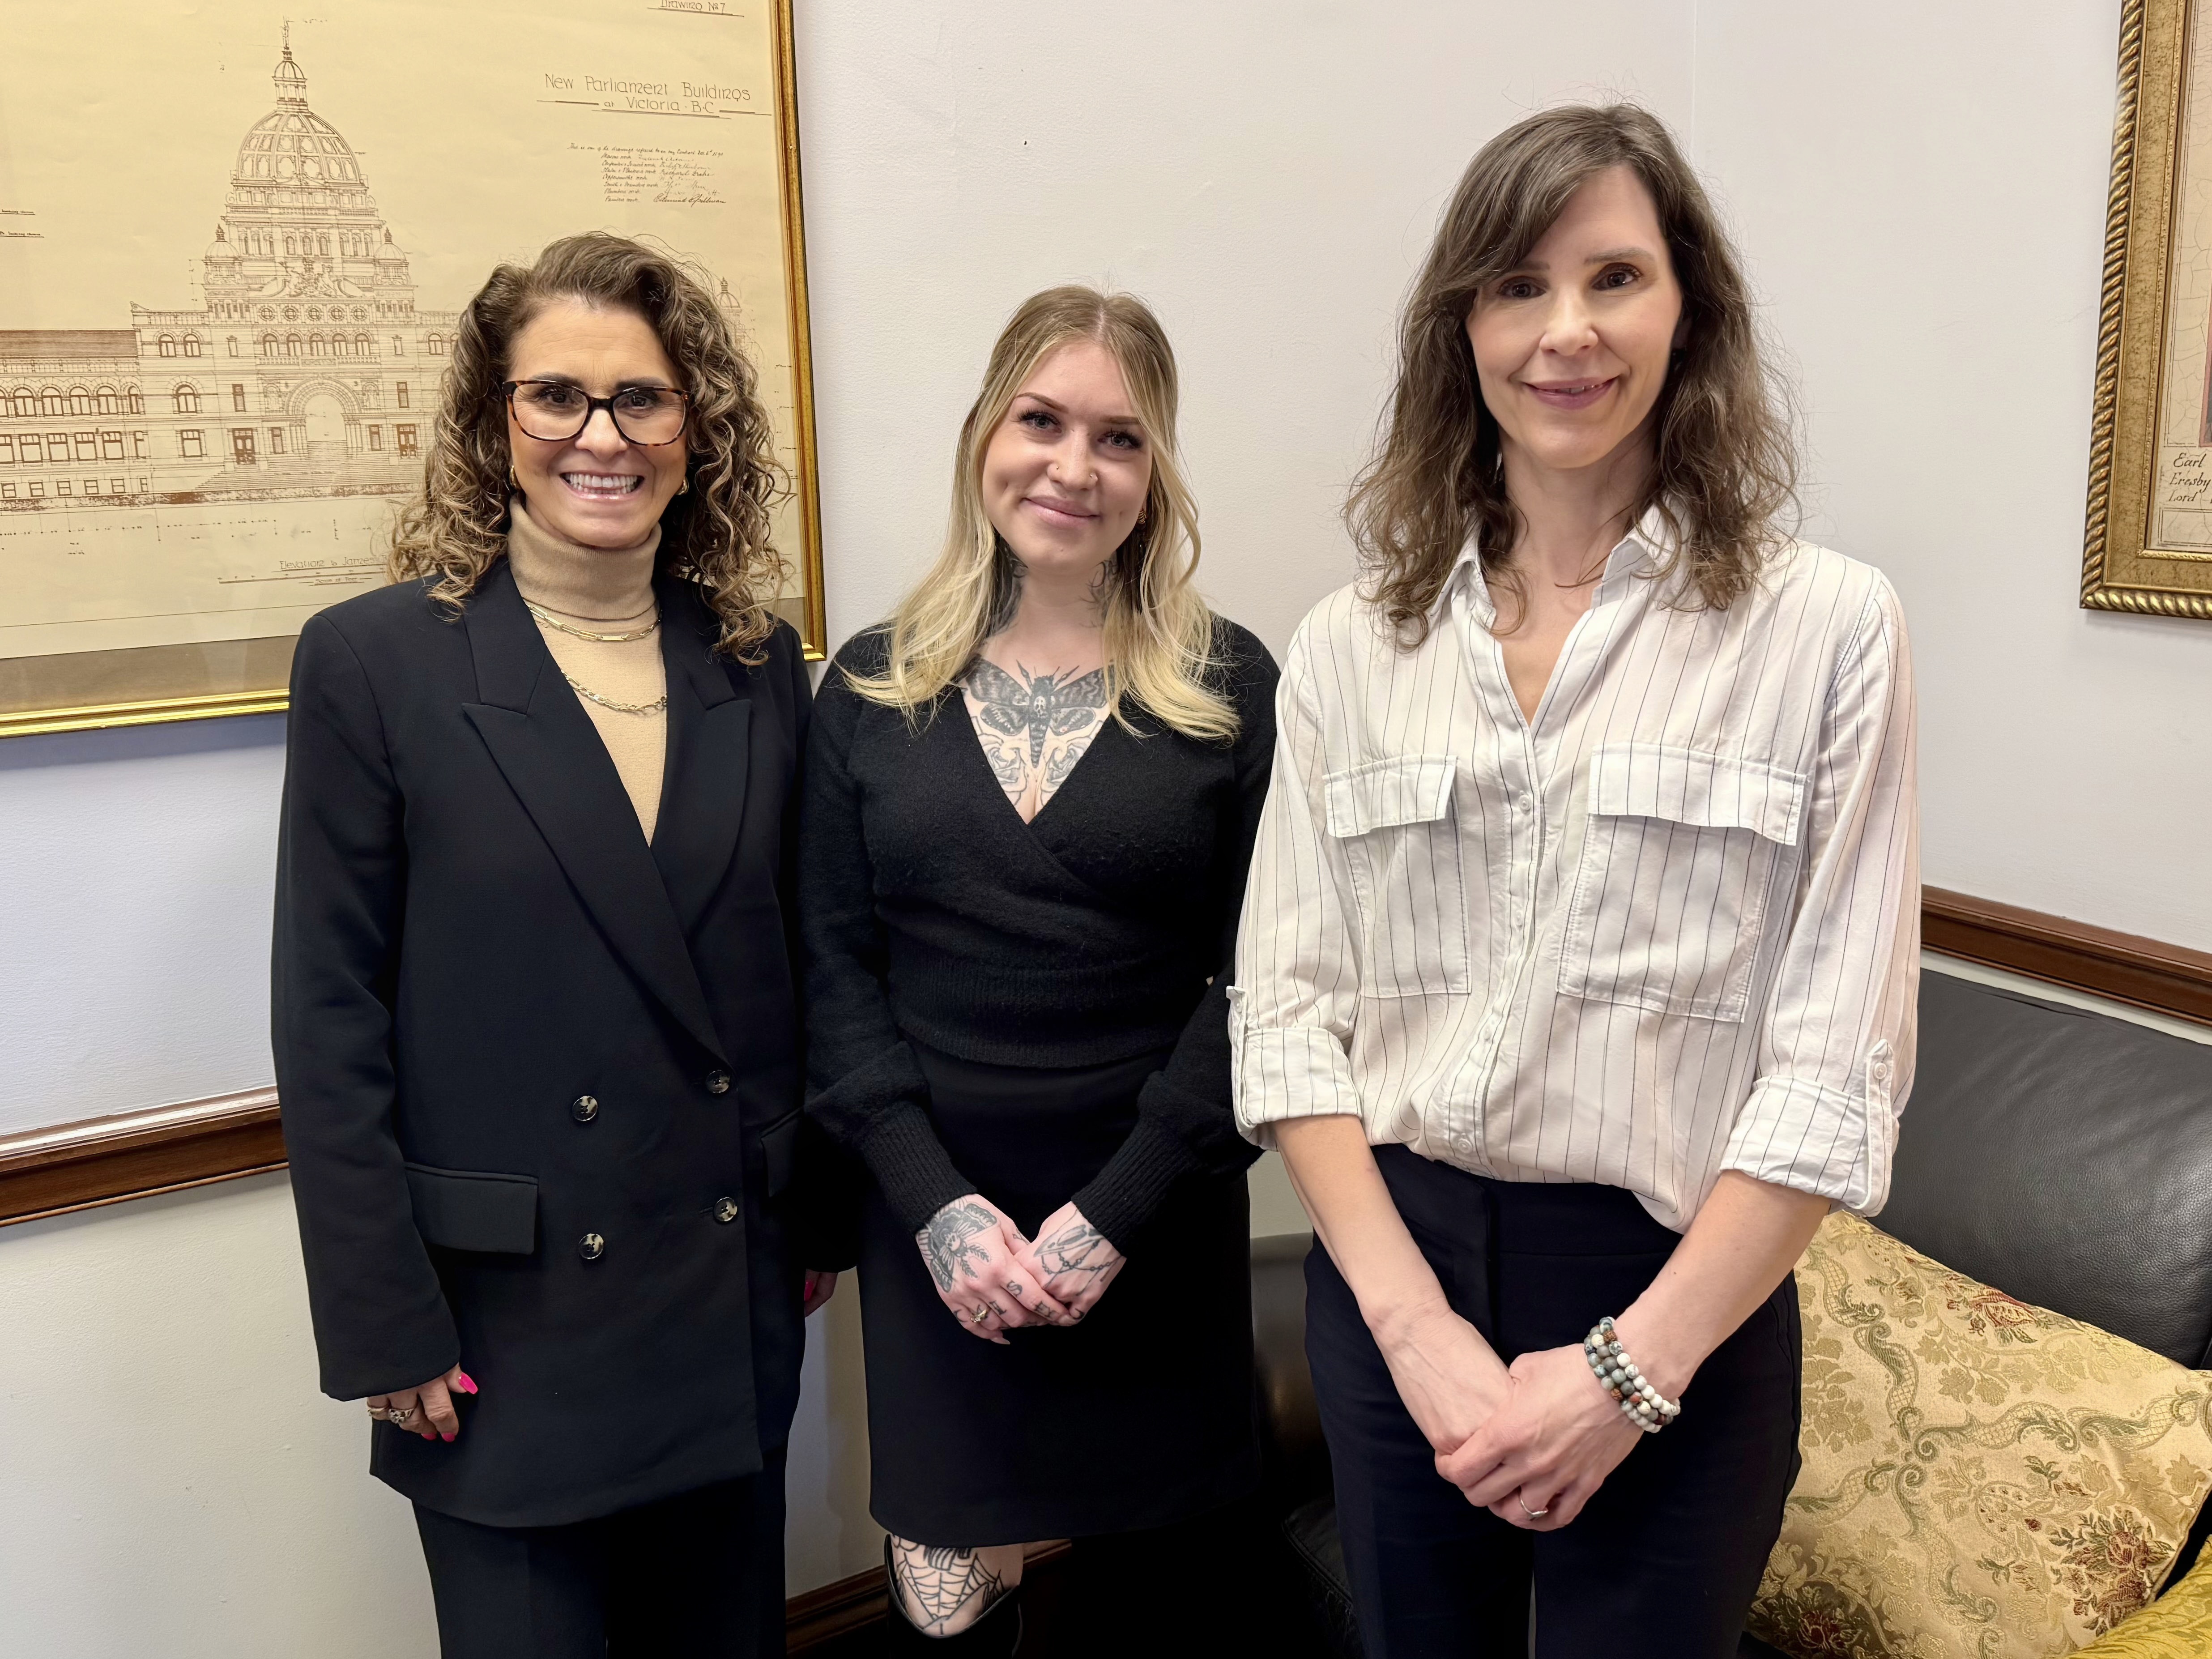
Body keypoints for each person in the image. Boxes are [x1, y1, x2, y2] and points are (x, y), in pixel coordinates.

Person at [1232, 104, 1919, 1658]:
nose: (1568, 333)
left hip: (1681, 1294)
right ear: (1459, 327)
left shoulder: (1827, 628)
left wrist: (1624, 1375)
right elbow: (1285, 1014)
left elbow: (1834, 1068)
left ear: (1692, 312)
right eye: (1517, 286)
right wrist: (1416, 1338)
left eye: (1616, 277)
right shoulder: (1355, 644)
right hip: (1397, 1279)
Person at [273, 232, 847, 1659]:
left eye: (642, 399)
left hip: (719, 1299)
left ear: (693, 428)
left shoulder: (760, 660)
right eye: (558, 398)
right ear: (495, 422)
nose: (603, 436)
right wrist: (381, 1320)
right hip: (496, 1332)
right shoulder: (377, 661)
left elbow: (801, 958)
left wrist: (812, 1215)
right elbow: (327, 1010)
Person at [801, 286, 1277, 1656]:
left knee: (1162, 1612)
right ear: (982, 438)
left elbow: (1267, 981)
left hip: (1153, 1217)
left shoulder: (1230, 684)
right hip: (937, 1226)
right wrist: (934, 1208)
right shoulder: (874, 688)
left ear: (1156, 478)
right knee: (950, 1615)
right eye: (1042, 420)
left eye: (1120, 439)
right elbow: (834, 970)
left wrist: (1115, 1215)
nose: (1074, 467)